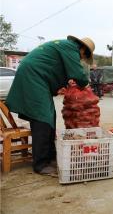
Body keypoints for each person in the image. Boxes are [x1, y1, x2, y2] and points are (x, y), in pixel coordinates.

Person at [6, 36, 95, 175]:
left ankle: (50, 155)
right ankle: (40, 164)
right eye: (84, 56)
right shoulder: (71, 48)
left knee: (49, 114)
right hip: (33, 75)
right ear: (83, 49)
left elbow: (57, 70)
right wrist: (85, 83)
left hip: (34, 74)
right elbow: (77, 74)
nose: (81, 58)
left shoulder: (63, 46)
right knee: (42, 117)